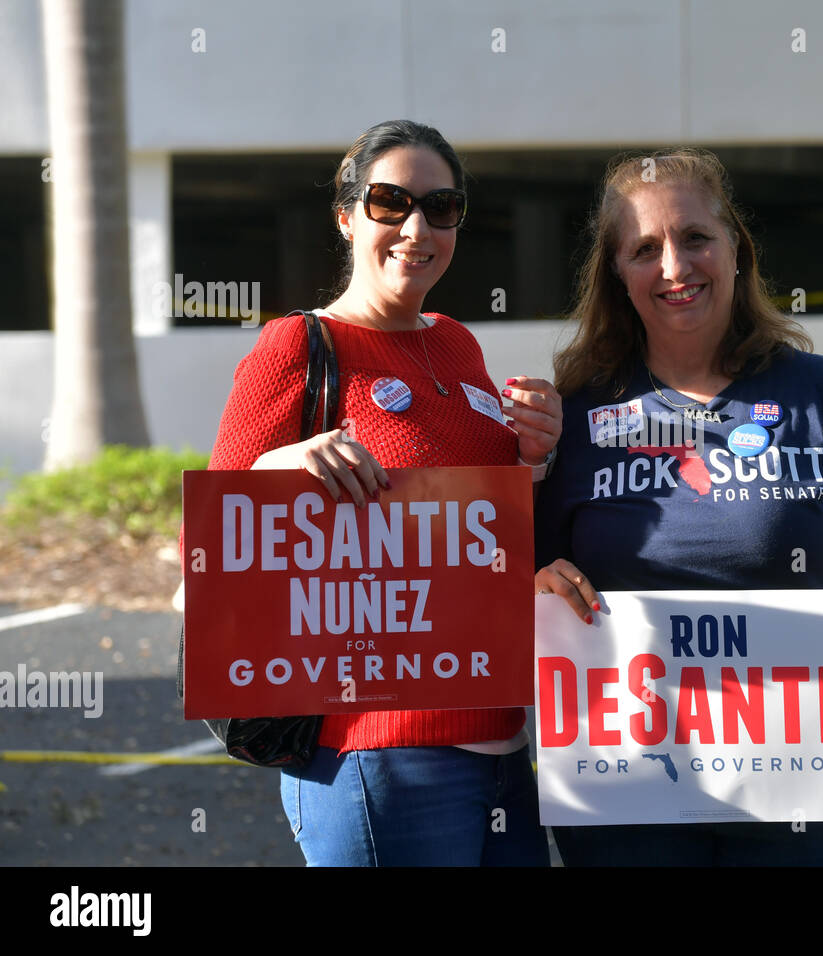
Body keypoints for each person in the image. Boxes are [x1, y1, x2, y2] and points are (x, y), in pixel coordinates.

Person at [533, 148, 823, 866]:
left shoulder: (821, 391)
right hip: (627, 793)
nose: (674, 266)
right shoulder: (573, 414)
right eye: (644, 249)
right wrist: (534, 585)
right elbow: (525, 576)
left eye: (695, 237)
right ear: (616, 275)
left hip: (810, 785)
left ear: (736, 251)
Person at [205, 120, 560, 866]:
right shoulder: (296, 346)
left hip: (502, 746)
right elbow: (206, 544)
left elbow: (476, 532)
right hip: (372, 755)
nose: (416, 227)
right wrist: (285, 466)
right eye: (389, 203)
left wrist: (536, 455)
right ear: (345, 216)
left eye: (442, 206)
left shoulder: (459, 343)